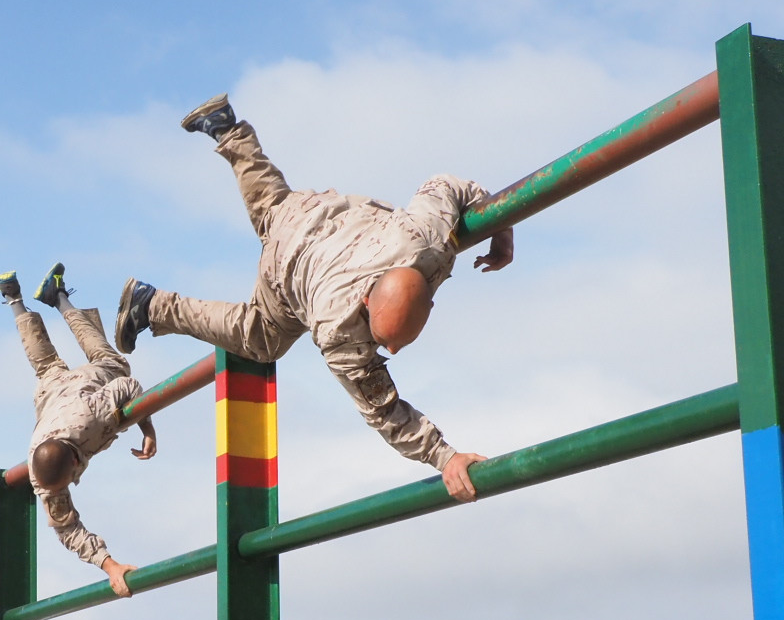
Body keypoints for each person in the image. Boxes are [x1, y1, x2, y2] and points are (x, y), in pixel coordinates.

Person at [116, 95, 515, 502]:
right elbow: (384, 413)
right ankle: (152, 305)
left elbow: (446, 184)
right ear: (365, 305)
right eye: (381, 341)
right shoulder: (339, 328)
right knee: (260, 338)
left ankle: (227, 128)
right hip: (289, 266)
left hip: (312, 213)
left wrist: (502, 226)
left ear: (428, 300)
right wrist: (443, 456)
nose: (386, 350)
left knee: (274, 206)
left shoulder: (426, 239)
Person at [0, 264, 157, 597]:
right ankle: (17, 297)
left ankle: (55, 299)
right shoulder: (44, 480)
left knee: (113, 361)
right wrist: (110, 565)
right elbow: (67, 529)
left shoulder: (91, 424)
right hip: (54, 395)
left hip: (86, 389)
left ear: (73, 461)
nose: (66, 490)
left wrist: (147, 428)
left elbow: (128, 385)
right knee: (46, 366)